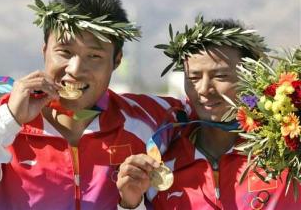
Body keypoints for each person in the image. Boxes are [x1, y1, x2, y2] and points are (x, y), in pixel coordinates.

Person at [0, 0, 185, 210]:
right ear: (44, 50)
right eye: (64, 52)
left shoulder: (151, 118)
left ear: (117, 61)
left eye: (94, 56)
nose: (75, 69)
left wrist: (131, 205)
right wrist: (9, 120)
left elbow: (213, 114)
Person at [117, 16, 301, 209]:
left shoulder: (288, 152)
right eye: (194, 77)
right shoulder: (160, 164)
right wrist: (130, 204)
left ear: (252, 76)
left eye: (220, 76)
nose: (204, 89)